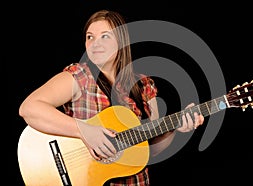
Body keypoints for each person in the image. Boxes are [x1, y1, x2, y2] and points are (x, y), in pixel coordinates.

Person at [19, 9, 204, 186]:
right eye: (90, 37)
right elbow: (29, 109)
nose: (95, 43)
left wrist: (176, 129)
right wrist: (85, 131)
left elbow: (149, 150)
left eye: (105, 36)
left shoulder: (143, 85)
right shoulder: (79, 77)